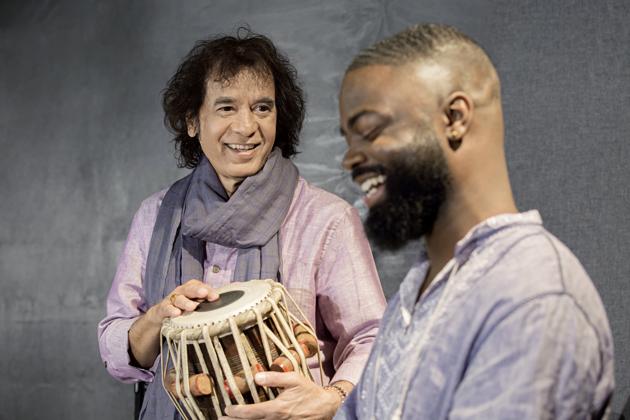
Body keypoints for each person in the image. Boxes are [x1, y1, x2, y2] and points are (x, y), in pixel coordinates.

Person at [97, 30, 386, 420]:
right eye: (226, 107)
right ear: (192, 121)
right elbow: (116, 346)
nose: (246, 126)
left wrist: (333, 399)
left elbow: (373, 339)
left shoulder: (327, 219)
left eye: (262, 108)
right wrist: (156, 319)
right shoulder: (155, 215)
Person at [335, 24, 614, 419]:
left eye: (369, 131)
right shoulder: (414, 296)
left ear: (454, 117)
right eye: (348, 139)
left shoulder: (531, 296)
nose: (350, 159)